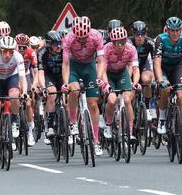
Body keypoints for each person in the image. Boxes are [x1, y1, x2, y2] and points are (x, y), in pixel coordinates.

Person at [61, 16, 106, 156]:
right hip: (74, 67)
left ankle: (96, 140)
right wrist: (65, 83)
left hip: (90, 67)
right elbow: (66, 63)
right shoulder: (68, 38)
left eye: (84, 37)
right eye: (79, 38)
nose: (82, 40)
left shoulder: (96, 36)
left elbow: (101, 61)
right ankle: (73, 121)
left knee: (93, 104)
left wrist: (99, 77)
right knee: (73, 90)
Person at [154, 17, 182, 148]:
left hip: (177, 67)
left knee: (181, 95)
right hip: (164, 68)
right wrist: (160, 80)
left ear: (181, 30)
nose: (175, 33)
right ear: (168, 30)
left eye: (178, 30)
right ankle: (162, 118)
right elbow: (157, 62)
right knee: (165, 89)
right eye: (172, 30)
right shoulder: (161, 39)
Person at [0, 36, 28, 159]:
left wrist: (24, 91)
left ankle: (14, 120)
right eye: (5, 51)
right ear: (0, 50)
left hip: (11, 78)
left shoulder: (18, 57)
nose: (8, 54)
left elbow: (22, 78)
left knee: (14, 95)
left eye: (11, 51)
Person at [102, 27, 140, 142]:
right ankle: (108, 125)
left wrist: (135, 83)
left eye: (123, 41)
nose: (120, 45)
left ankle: (130, 131)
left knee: (127, 99)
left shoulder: (131, 49)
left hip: (122, 73)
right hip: (108, 74)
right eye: (117, 42)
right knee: (112, 100)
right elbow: (102, 70)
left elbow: (135, 69)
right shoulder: (106, 49)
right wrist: (106, 85)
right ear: (112, 42)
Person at [37, 30, 65, 145]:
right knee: (52, 94)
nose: (59, 46)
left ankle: (71, 125)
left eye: (60, 43)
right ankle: (50, 126)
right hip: (49, 76)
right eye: (55, 43)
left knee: (68, 95)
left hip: (62, 75)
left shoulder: (64, 50)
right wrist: (43, 87)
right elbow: (40, 72)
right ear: (48, 44)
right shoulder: (42, 52)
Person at [129, 20, 156, 120]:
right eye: (137, 34)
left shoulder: (150, 42)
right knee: (130, 93)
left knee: (147, 80)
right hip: (131, 66)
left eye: (142, 34)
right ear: (133, 33)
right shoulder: (128, 42)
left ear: (146, 33)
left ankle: (148, 106)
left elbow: (155, 61)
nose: (140, 37)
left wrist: (155, 77)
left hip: (144, 66)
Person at [15, 33, 38, 146]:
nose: (22, 49)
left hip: (27, 75)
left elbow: (36, 71)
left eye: (24, 47)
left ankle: (30, 130)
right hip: (15, 75)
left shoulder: (31, 53)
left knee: (28, 103)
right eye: (19, 47)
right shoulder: (12, 53)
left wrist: (34, 84)